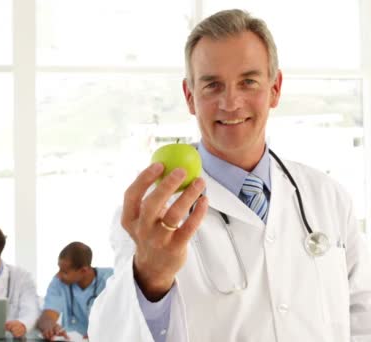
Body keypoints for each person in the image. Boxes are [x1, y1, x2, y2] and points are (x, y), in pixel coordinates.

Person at [88, 9, 371, 342]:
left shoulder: (328, 197)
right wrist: (150, 279)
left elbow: (361, 315)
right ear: (190, 96)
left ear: (275, 88)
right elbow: (111, 333)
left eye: (248, 81)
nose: (231, 102)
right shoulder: (154, 212)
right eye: (212, 85)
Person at [36, 242, 113, 340]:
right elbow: (47, 315)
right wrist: (51, 327)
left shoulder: (111, 279)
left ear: (83, 271)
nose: (58, 275)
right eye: (59, 268)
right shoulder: (59, 282)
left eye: (65, 272)